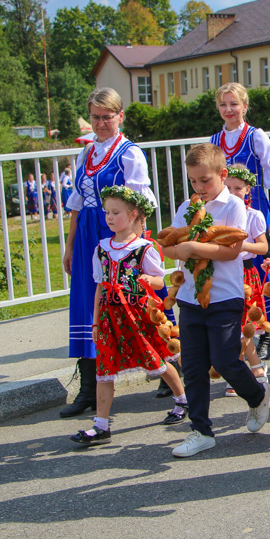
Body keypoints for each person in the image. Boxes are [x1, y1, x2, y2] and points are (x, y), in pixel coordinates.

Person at [160, 143, 270, 458]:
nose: (199, 187)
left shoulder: (233, 205)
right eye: (193, 181)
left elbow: (233, 249)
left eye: (205, 180)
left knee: (224, 359)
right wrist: (178, 250)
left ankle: (256, 394)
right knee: (193, 366)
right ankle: (201, 431)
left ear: (222, 175)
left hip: (225, 296)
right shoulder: (186, 208)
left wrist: (192, 248)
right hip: (191, 299)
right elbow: (168, 244)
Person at [61, 88, 157, 418]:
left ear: (120, 116)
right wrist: (71, 245)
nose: (101, 123)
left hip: (119, 233)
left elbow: (142, 204)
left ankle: (167, 367)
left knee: (133, 302)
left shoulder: (130, 154)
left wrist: (136, 246)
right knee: (90, 305)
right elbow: (75, 204)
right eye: (96, 117)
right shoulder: (85, 155)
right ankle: (89, 386)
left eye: (107, 116)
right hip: (89, 233)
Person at [69, 186, 187, 446]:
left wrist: (148, 279)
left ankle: (182, 399)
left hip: (138, 314)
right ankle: (101, 425)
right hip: (111, 316)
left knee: (155, 360)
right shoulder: (102, 248)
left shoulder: (144, 248)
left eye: (115, 212)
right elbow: (100, 286)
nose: (109, 217)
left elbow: (159, 280)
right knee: (104, 368)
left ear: (133, 214)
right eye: (107, 212)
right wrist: (96, 321)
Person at [210, 83, 270, 360]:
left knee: (262, 273)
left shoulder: (256, 136)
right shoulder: (214, 140)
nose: (229, 110)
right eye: (223, 104)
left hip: (256, 210)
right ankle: (241, 331)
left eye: (234, 104)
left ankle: (268, 331)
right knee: (235, 272)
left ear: (245, 106)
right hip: (228, 217)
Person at [224, 164, 270, 395]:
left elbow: (263, 247)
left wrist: (241, 245)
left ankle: (247, 370)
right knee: (232, 326)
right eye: (228, 187)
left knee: (244, 325)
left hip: (245, 274)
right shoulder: (219, 214)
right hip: (224, 271)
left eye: (238, 188)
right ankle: (253, 367)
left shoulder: (253, 215)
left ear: (248, 189)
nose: (233, 192)